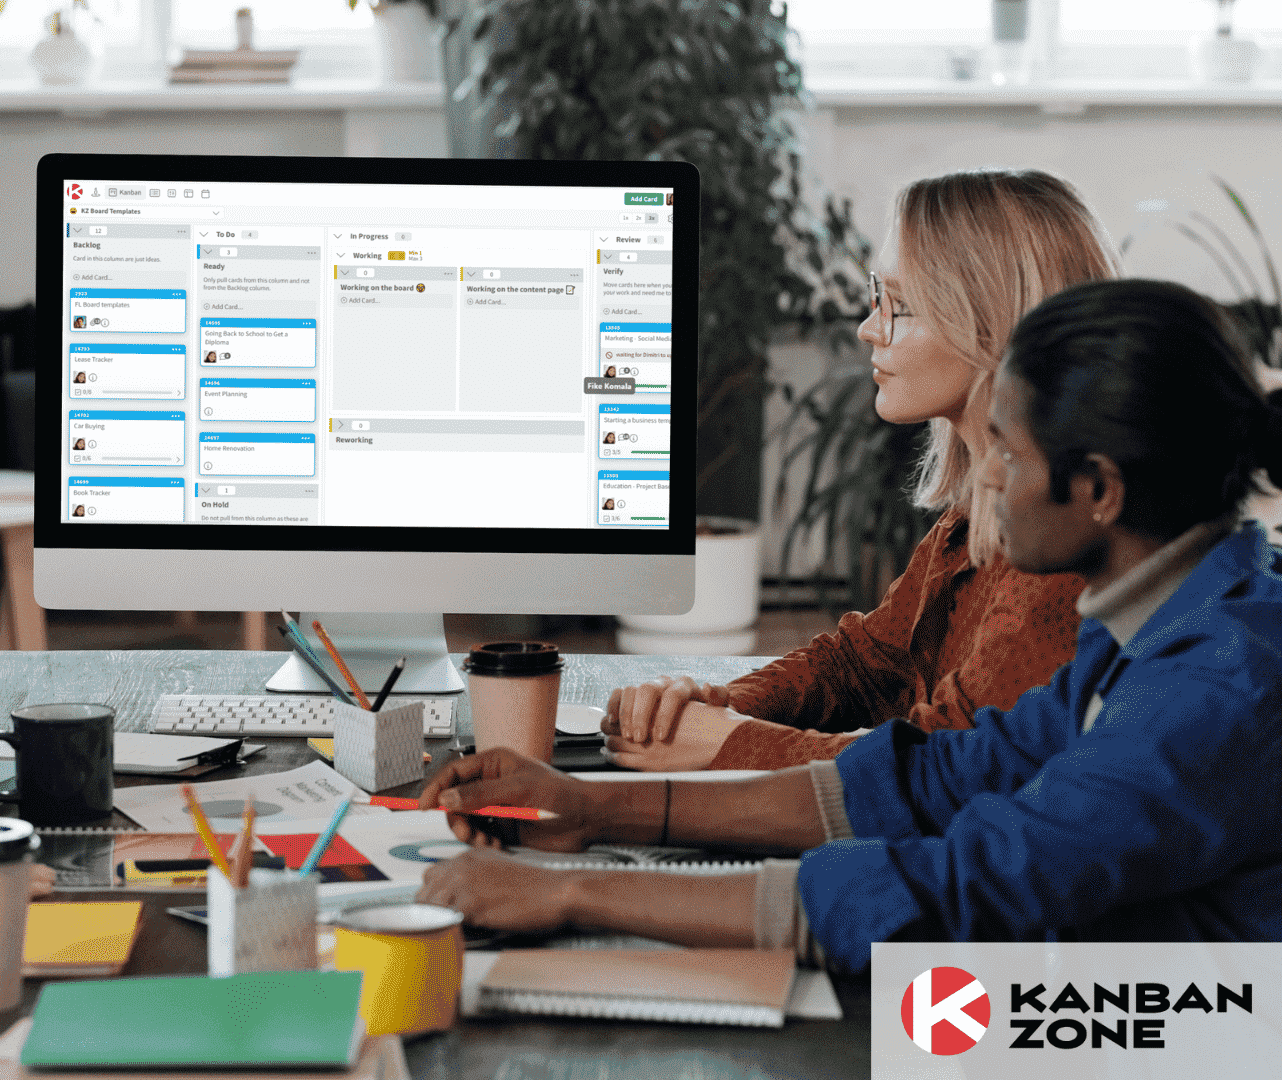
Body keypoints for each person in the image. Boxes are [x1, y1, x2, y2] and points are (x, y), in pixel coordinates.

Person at [417, 278, 1282, 971]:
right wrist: (592, 809)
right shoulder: (1156, 619)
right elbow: (941, 778)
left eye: (1009, 456)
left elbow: (963, 887)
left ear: (1099, 489)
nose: (987, 483)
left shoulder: (1216, 687)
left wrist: (573, 895)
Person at [602, 169, 1115, 772]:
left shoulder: (1058, 549)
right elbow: (864, 662)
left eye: (899, 306)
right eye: (878, 297)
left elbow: (947, 760)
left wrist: (724, 743)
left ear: (992, 326)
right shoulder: (974, 515)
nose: (869, 328)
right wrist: (720, 702)